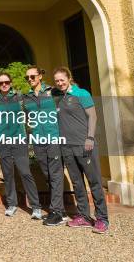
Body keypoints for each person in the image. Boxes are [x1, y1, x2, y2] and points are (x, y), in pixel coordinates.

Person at [53, 66, 108, 234]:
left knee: (95, 182)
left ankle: (102, 219)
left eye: (62, 79)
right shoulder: (57, 96)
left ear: (69, 78)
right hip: (67, 147)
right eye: (57, 81)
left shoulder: (81, 93)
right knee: (77, 183)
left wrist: (90, 138)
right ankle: (84, 216)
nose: (60, 83)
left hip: (85, 145)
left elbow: (93, 116)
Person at [0, 72, 42, 219]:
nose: (4, 84)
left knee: (25, 173)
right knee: (7, 175)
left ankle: (36, 207)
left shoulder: (20, 97)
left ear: (11, 82)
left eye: (6, 82)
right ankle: (12, 204)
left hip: (19, 140)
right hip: (2, 142)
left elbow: (30, 114)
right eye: (1, 83)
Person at [22, 66, 66, 226]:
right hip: (38, 140)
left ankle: (57, 212)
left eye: (32, 77)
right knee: (47, 174)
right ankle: (59, 209)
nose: (30, 80)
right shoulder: (26, 97)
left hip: (53, 138)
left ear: (40, 76)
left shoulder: (53, 92)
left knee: (55, 173)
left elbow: (66, 110)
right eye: (27, 78)